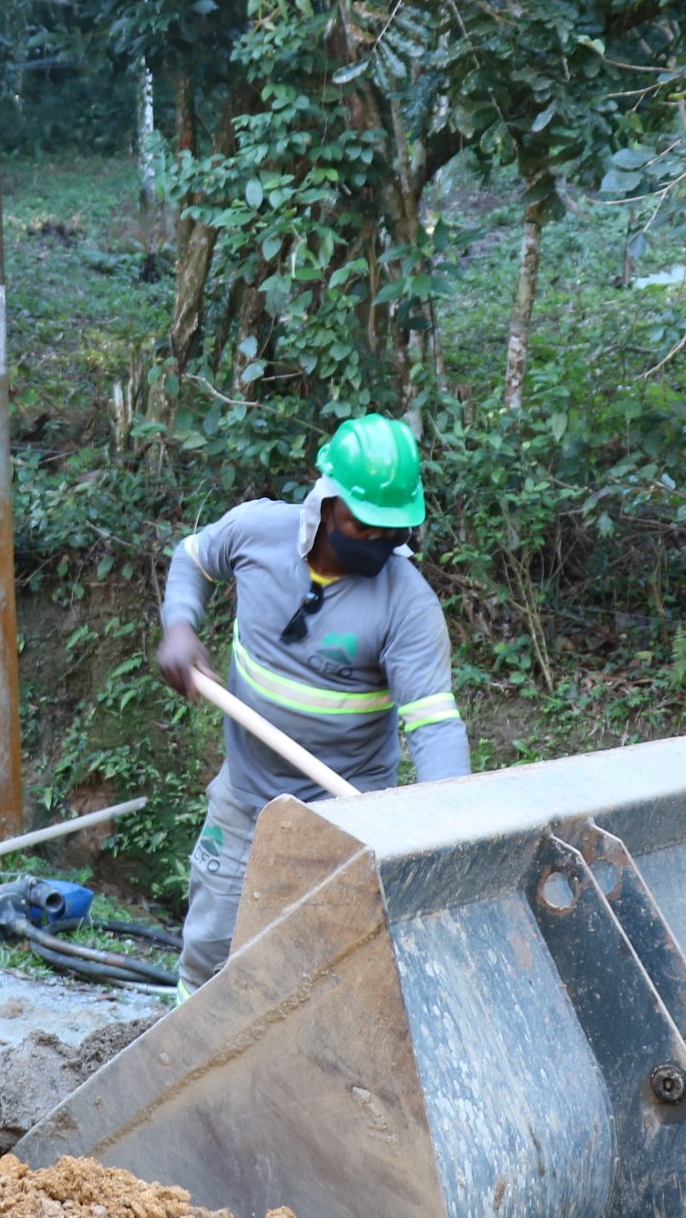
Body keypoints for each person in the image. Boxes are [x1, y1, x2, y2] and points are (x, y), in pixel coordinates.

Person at [153, 414, 471, 992]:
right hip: (245, 799)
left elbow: (433, 725)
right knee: (210, 955)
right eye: (363, 523)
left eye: (390, 531)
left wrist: (449, 828)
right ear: (326, 501)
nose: (375, 540)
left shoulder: (408, 605)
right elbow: (192, 559)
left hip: (345, 820)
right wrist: (179, 625)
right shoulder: (256, 533)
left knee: (324, 976)